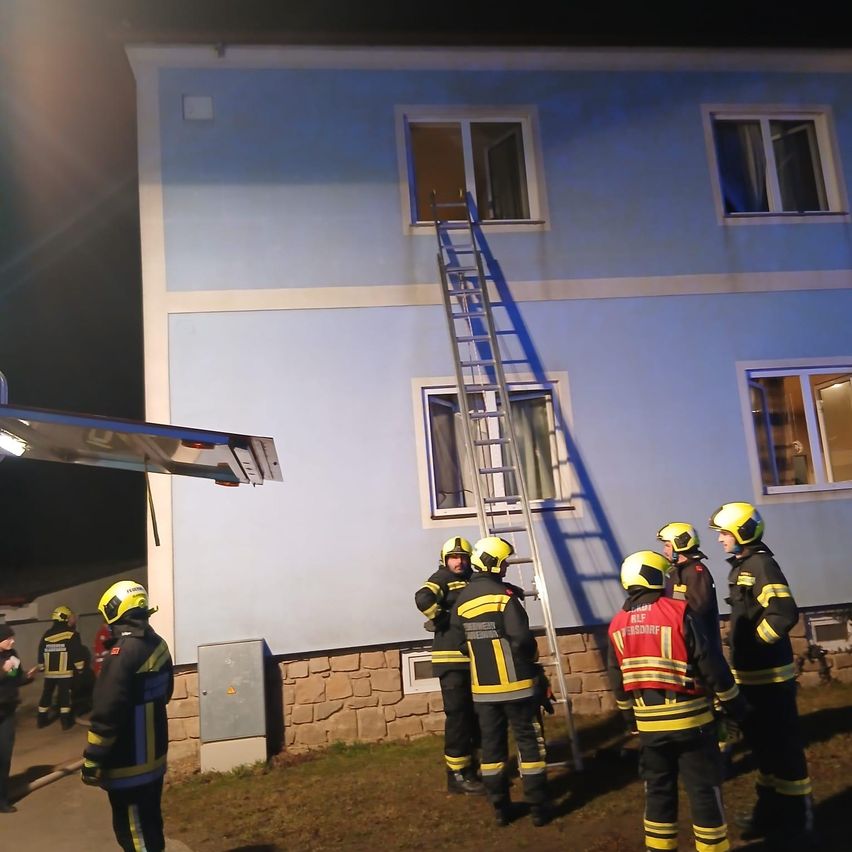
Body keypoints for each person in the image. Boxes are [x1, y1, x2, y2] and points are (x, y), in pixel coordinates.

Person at [607, 550, 747, 852]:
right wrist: (734, 704)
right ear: (656, 577)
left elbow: (617, 680)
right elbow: (709, 663)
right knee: (704, 791)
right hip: (691, 722)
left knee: (658, 793)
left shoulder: (617, 624)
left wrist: (630, 721)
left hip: (649, 727)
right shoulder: (678, 612)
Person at [709, 502, 815, 848]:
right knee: (764, 751)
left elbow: (783, 612)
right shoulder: (742, 566)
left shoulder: (761, 565)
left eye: (725, 533)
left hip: (770, 678)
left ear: (742, 533)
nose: (721, 540)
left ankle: (797, 820)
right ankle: (768, 815)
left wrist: (757, 642)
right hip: (751, 678)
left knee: (783, 751)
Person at [451, 536, 550, 827]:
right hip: (518, 687)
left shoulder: (462, 601)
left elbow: (459, 644)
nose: (506, 565)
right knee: (530, 746)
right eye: (504, 561)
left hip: (483, 692)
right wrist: (534, 665)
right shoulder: (505, 596)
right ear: (494, 562)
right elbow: (521, 639)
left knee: (492, 751)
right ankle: (539, 809)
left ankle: (500, 808)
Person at [82, 580, 174, 852]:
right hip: (154, 760)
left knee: (134, 836)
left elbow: (106, 716)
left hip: (127, 766)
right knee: (151, 828)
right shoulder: (158, 644)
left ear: (116, 612)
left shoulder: (121, 655)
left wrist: (92, 761)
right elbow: (165, 692)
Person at [414, 535, 484, 795]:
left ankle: (472, 770)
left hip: (472, 660)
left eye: (464, 557)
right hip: (451, 662)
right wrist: (441, 618)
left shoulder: (469, 581)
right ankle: (456, 776)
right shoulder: (442, 578)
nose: (459, 562)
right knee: (458, 717)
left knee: (476, 716)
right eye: (454, 557)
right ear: (445, 560)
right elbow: (422, 598)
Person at [0, 624, 37, 813]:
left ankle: (2, 800)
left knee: (4, 757)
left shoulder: (12, 655)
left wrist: (27, 677)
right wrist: (2, 671)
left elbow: (15, 678)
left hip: (7, 712)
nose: (12, 641)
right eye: (8, 638)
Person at [37, 605, 85, 730]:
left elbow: (41, 650)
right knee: (65, 697)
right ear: (64, 618)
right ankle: (65, 722)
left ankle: (41, 720)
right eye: (69, 617)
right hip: (65, 673)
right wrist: (80, 668)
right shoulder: (71, 634)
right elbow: (76, 652)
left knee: (46, 695)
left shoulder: (47, 634)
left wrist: (41, 666)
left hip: (50, 674)